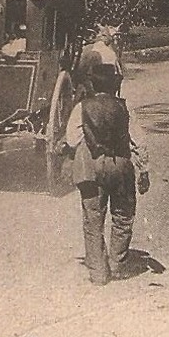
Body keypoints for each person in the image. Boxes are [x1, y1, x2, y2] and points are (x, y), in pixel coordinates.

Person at [61, 54, 149, 285]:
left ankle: (99, 272)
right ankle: (117, 265)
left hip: (91, 168)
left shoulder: (82, 107)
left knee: (93, 219)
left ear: (93, 84)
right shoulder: (125, 108)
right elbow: (139, 141)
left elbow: (71, 140)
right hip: (120, 166)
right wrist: (144, 170)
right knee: (122, 216)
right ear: (114, 85)